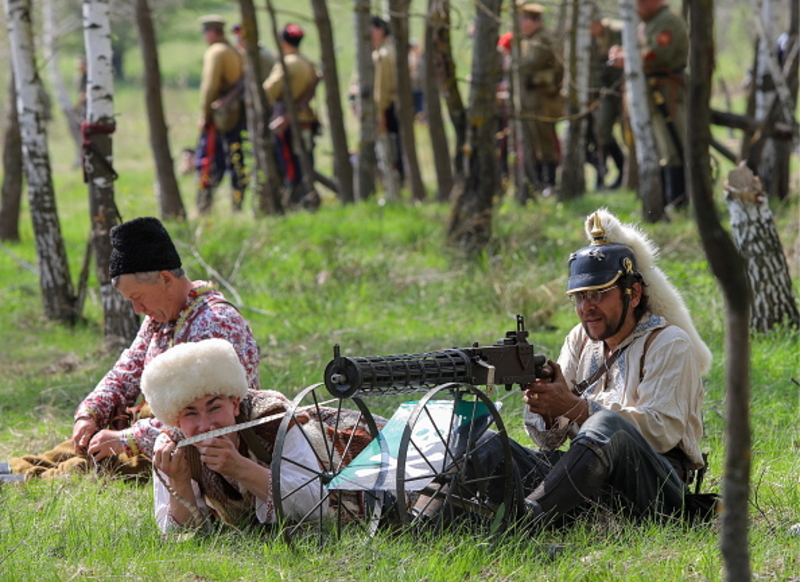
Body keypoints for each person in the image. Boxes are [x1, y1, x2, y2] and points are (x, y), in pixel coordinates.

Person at [420, 209, 714, 527]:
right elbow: (548, 443)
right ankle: (419, 521)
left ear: (635, 293)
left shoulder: (670, 342)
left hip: (651, 490)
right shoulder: (579, 339)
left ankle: (525, 522)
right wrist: (548, 408)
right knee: (484, 445)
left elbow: (661, 433)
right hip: (584, 482)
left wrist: (575, 408)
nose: (586, 307)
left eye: (599, 294)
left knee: (608, 425)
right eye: (579, 297)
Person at [6, 217, 259, 481]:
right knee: (77, 446)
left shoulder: (214, 322)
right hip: (161, 430)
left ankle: (21, 481)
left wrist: (127, 439)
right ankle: (12, 468)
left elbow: (202, 422)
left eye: (138, 298)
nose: (137, 310)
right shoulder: (159, 319)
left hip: (201, 447)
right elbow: (126, 371)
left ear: (165, 278)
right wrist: (90, 414)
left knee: (88, 467)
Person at [144, 338, 320, 532]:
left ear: (235, 404)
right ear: (177, 421)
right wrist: (179, 482)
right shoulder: (172, 448)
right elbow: (179, 537)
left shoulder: (274, 420)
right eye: (191, 413)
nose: (206, 426)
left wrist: (240, 467)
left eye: (215, 408)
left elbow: (314, 504)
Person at [608, 0, 688, 208]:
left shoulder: (667, 20)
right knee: (661, 147)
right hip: (653, 92)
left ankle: (677, 200)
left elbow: (657, 54)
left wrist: (627, 58)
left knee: (671, 146)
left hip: (667, 92)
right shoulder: (651, 23)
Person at [263, 23, 321, 208]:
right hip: (306, 119)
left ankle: (294, 201)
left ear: (282, 41)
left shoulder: (287, 63)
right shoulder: (307, 62)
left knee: (289, 163)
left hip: (287, 122)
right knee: (304, 161)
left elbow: (270, 91)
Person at [196, 15, 248, 214]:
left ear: (211, 32)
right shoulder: (233, 50)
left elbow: (209, 88)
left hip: (219, 117)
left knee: (208, 161)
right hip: (234, 116)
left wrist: (205, 115)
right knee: (235, 159)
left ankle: (204, 206)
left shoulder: (216, 52)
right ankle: (237, 204)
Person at [517, 3, 564, 198]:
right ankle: (538, 182)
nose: (520, 23)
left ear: (531, 20)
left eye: (523, 19)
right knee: (534, 142)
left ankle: (549, 183)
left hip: (543, 99)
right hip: (532, 99)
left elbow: (529, 65)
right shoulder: (530, 40)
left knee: (544, 142)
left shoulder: (542, 40)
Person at [588, 12, 625, 190]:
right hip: (606, 92)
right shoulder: (588, 41)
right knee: (602, 130)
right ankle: (621, 167)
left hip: (625, 88)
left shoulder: (618, 31)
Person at [371, 15, 404, 190]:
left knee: (391, 149)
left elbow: (382, 90)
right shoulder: (393, 49)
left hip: (388, 109)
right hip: (397, 107)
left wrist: (380, 113)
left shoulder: (383, 55)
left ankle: (396, 186)